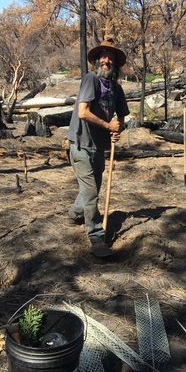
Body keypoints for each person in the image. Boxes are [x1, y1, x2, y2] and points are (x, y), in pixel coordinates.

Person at [67, 39, 129, 252]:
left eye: (110, 57)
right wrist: (107, 124)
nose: (106, 60)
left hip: (100, 148)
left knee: (90, 190)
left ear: (115, 63)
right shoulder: (90, 79)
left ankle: (75, 213)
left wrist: (117, 129)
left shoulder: (116, 89)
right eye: (103, 56)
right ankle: (95, 236)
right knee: (91, 192)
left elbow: (121, 118)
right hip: (81, 145)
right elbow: (82, 112)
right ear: (96, 60)